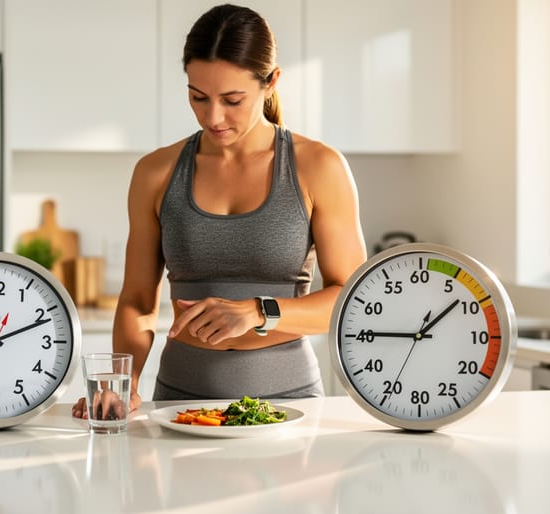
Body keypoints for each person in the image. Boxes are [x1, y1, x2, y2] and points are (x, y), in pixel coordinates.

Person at [73, 3, 366, 419]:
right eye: (198, 97)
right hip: (178, 404)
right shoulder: (155, 173)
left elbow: (352, 300)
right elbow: (138, 299)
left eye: (232, 100)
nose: (213, 117)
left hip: (290, 403)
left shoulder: (318, 167)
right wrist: (125, 384)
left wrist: (258, 310)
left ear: (271, 83)